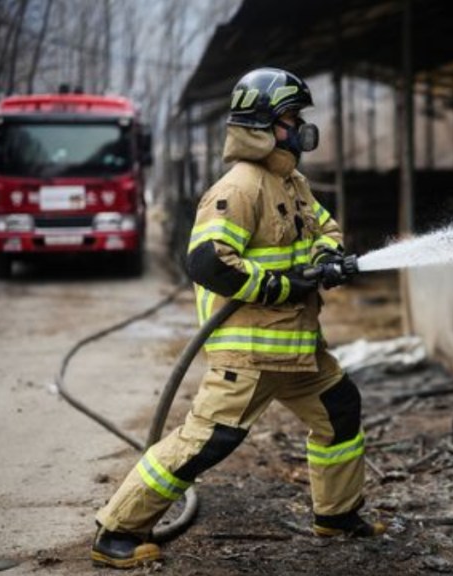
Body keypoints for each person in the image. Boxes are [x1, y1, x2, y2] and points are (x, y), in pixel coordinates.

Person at [91, 67, 384, 569]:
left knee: (340, 411)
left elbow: (324, 228)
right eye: (292, 118)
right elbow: (208, 261)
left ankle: (336, 515)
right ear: (264, 125)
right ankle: (117, 530)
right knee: (208, 441)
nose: (300, 129)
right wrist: (282, 285)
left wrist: (331, 254)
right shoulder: (240, 188)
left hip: (296, 346)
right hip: (249, 353)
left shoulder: (292, 183)